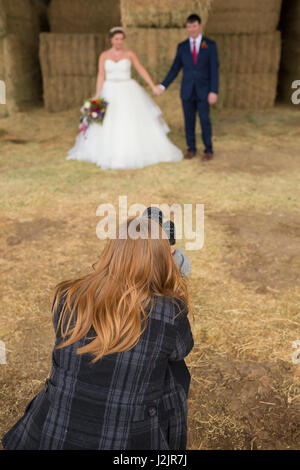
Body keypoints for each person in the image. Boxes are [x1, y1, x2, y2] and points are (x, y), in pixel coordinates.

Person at [1, 216, 194, 450]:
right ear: (162, 259)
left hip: (55, 430)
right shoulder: (170, 312)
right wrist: (174, 285)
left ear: (112, 251)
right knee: (176, 372)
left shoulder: (68, 295)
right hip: (126, 439)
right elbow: (182, 348)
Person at [66, 26, 183, 170]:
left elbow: (140, 69)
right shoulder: (104, 55)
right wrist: (97, 95)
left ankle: (132, 151)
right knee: (107, 121)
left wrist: (152, 86)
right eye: (116, 39)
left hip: (128, 89)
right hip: (109, 89)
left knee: (128, 119)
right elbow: (101, 74)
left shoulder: (129, 54)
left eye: (121, 39)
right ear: (111, 40)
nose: (119, 42)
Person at [156, 14, 219, 162]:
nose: (191, 29)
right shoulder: (182, 46)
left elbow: (214, 70)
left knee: (204, 120)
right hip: (187, 91)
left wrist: (214, 91)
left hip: (204, 91)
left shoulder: (210, 45)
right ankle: (191, 149)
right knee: (188, 121)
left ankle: (208, 149)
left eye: (194, 26)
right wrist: (163, 85)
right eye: (189, 26)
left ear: (200, 26)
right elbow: (175, 69)